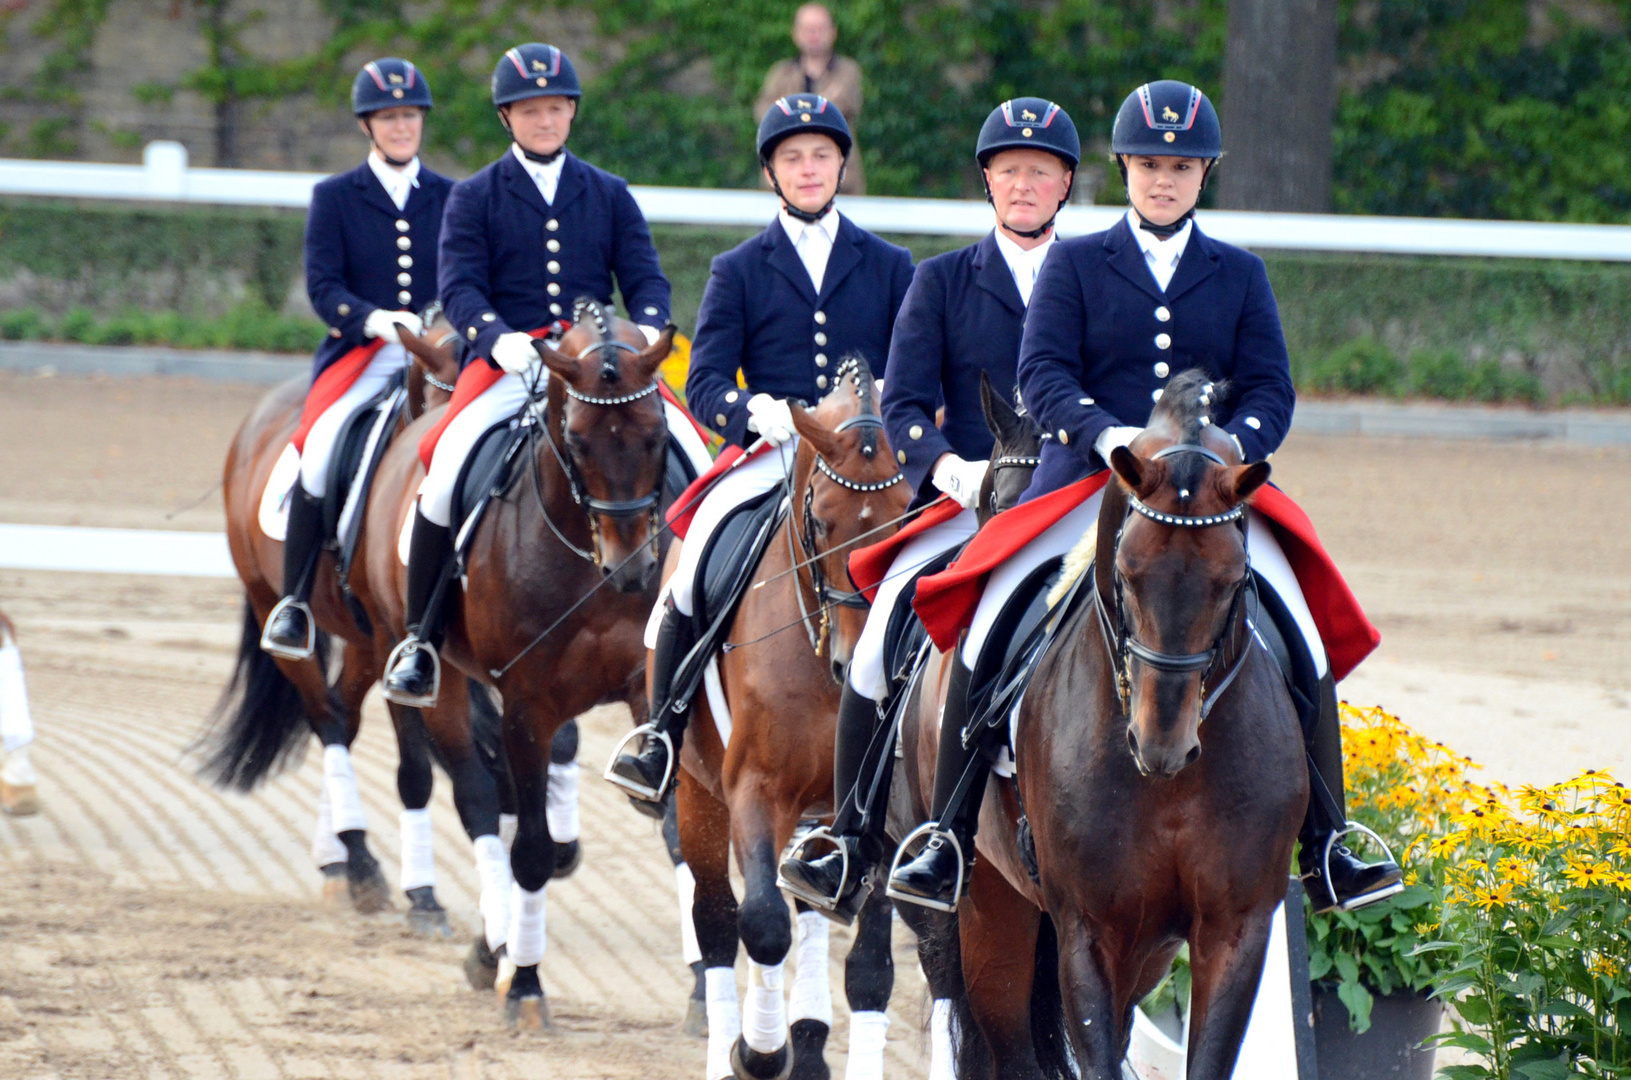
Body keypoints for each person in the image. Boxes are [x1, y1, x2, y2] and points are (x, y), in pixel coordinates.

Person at [886, 80, 1401, 915]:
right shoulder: (1076, 261)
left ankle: (1331, 841)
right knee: (989, 612)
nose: (1163, 179)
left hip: (1209, 498)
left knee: (1302, 626)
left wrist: (1230, 449)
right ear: (1124, 166)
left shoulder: (1237, 273)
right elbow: (1041, 373)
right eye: (1149, 163)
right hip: (1094, 482)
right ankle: (946, 833)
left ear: (1206, 175)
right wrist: (1108, 441)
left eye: (1182, 166)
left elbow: (1270, 385)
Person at [776, 98, 1079, 921]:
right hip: (968, 497)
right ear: (987, 181)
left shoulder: (1093, 272)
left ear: (1065, 185)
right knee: (876, 647)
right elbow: (905, 405)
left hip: (1073, 492)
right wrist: (954, 471)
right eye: (1009, 169)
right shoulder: (941, 280)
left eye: (1040, 171)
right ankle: (851, 839)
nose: (1024, 184)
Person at [605, 94, 914, 803]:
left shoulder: (891, 263)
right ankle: (662, 729)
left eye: (821, 156)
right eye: (792, 158)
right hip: (774, 451)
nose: (808, 169)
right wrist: (754, 410)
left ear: (841, 164)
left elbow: (917, 366)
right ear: (771, 173)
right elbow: (705, 377)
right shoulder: (738, 266)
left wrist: (890, 407)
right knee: (692, 563)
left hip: (864, 465)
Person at [380, 43, 703, 706]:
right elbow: (461, 288)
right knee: (442, 465)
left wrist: (643, 330)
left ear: (571, 112)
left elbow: (644, 277)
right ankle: (420, 636)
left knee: (697, 459)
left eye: (555, 107)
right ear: (508, 117)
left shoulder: (608, 193)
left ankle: (703, 614)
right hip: (513, 362)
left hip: (603, 368)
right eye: (531, 110)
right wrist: (498, 342)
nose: (545, 120)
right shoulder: (474, 197)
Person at [261, 58, 452, 660]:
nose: (402, 127)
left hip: (441, 356)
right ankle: (294, 601)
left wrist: (441, 325)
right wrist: (377, 322)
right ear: (368, 126)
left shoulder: (452, 197)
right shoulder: (336, 196)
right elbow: (323, 288)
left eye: (410, 116)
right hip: (364, 354)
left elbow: (468, 273)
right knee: (318, 449)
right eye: (389, 118)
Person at [755, 3, 865, 194]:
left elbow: (842, 105)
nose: (814, 34)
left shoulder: (848, 71)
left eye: (820, 28)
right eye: (807, 29)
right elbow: (764, 113)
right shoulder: (780, 73)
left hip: (841, 181)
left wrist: (789, 112)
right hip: (785, 180)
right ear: (795, 33)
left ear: (833, 32)